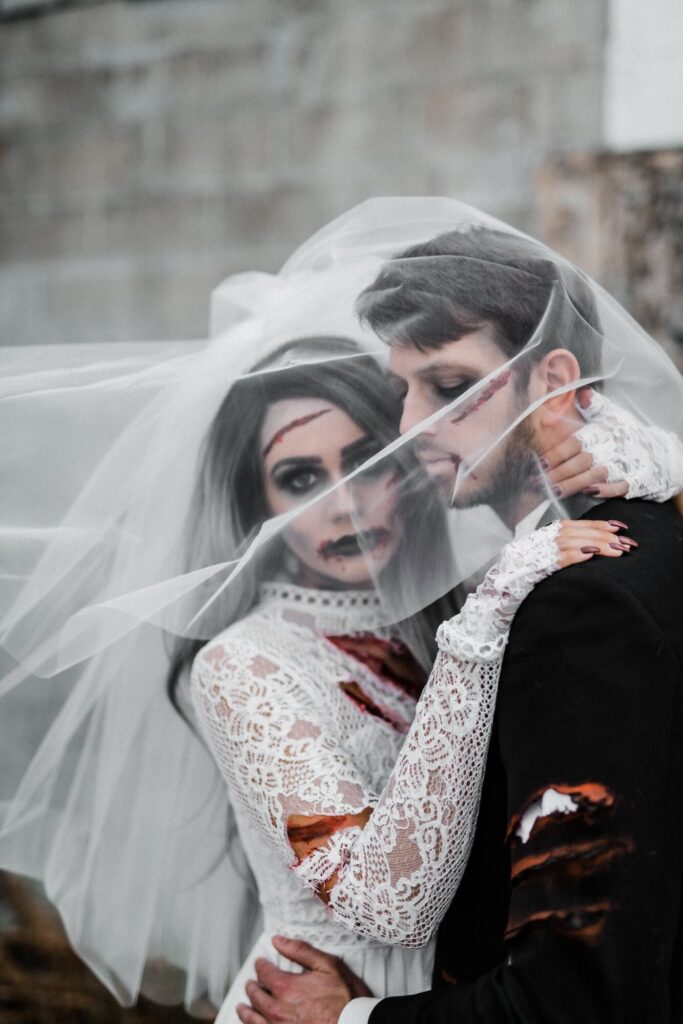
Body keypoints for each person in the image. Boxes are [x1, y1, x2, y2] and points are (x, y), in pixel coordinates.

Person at [1, 199, 681, 1022]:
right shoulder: (247, 662)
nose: (344, 505)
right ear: (256, 506)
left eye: (366, 460)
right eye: (297, 479)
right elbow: (392, 904)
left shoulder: (455, 611)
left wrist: (628, 455)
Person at [234, 205, 683, 1024]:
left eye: (447, 388)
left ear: (552, 382)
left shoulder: (577, 599)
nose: (407, 431)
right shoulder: (623, 540)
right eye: (400, 395)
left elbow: (571, 997)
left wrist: (348, 1020)